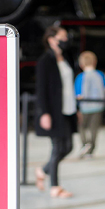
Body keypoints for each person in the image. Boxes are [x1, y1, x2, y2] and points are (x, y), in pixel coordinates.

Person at [34, 26, 77, 198]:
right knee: (58, 147)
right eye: (62, 36)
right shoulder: (45, 61)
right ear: (51, 39)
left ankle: (43, 170)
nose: (66, 39)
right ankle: (55, 187)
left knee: (68, 147)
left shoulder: (66, 57)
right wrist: (44, 113)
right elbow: (41, 89)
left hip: (68, 108)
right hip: (54, 111)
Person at [74, 51, 105, 158]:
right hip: (98, 106)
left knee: (82, 127)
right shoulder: (100, 75)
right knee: (94, 129)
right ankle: (90, 149)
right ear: (95, 62)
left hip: (85, 108)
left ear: (81, 64)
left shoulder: (80, 77)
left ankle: (85, 144)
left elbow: (78, 95)